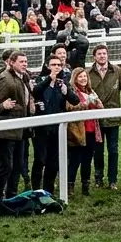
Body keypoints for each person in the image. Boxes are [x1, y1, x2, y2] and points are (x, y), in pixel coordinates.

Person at [0, 51, 33, 204]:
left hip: (21, 127)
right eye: (21, 61)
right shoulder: (5, 78)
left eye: (26, 61)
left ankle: (11, 196)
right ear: (12, 62)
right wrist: (3, 106)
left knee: (18, 165)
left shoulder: (24, 77)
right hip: (7, 129)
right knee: (6, 166)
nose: (25, 64)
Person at [87, 44, 121, 190]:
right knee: (97, 151)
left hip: (113, 117)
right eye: (99, 54)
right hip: (96, 120)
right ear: (94, 56)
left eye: (104, 53)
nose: (102, 56)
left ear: (108, 55)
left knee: (113, 150)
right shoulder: (89, 73)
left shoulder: (116, 71)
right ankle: (98, 178)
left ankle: (113, 180)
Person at [31, 53, 72, 193]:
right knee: (40, 160)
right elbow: (35, 92)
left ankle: (49, 190)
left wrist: (66, 92)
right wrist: (50, 78)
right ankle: (35, 189)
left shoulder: (63, 82)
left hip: (57, 128)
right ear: (47, 66)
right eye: (53, 65)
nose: (56, 67)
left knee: (53, 162)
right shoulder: (40, 80)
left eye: (59, 65)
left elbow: (75, 100)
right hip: (41, 127)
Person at [65, 68, 99, 196]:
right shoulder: (71, 92)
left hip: (90, 129)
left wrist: (97, 102)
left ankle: (86, 186)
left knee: (87, 160)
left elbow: (99, 105)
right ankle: (70, 187)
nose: (83, 79)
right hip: (77, 131)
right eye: (80, 77)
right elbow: (69, 107)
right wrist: (85, 103)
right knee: (75, 160)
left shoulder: (90, 91)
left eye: (85, 76)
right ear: (75, 78)